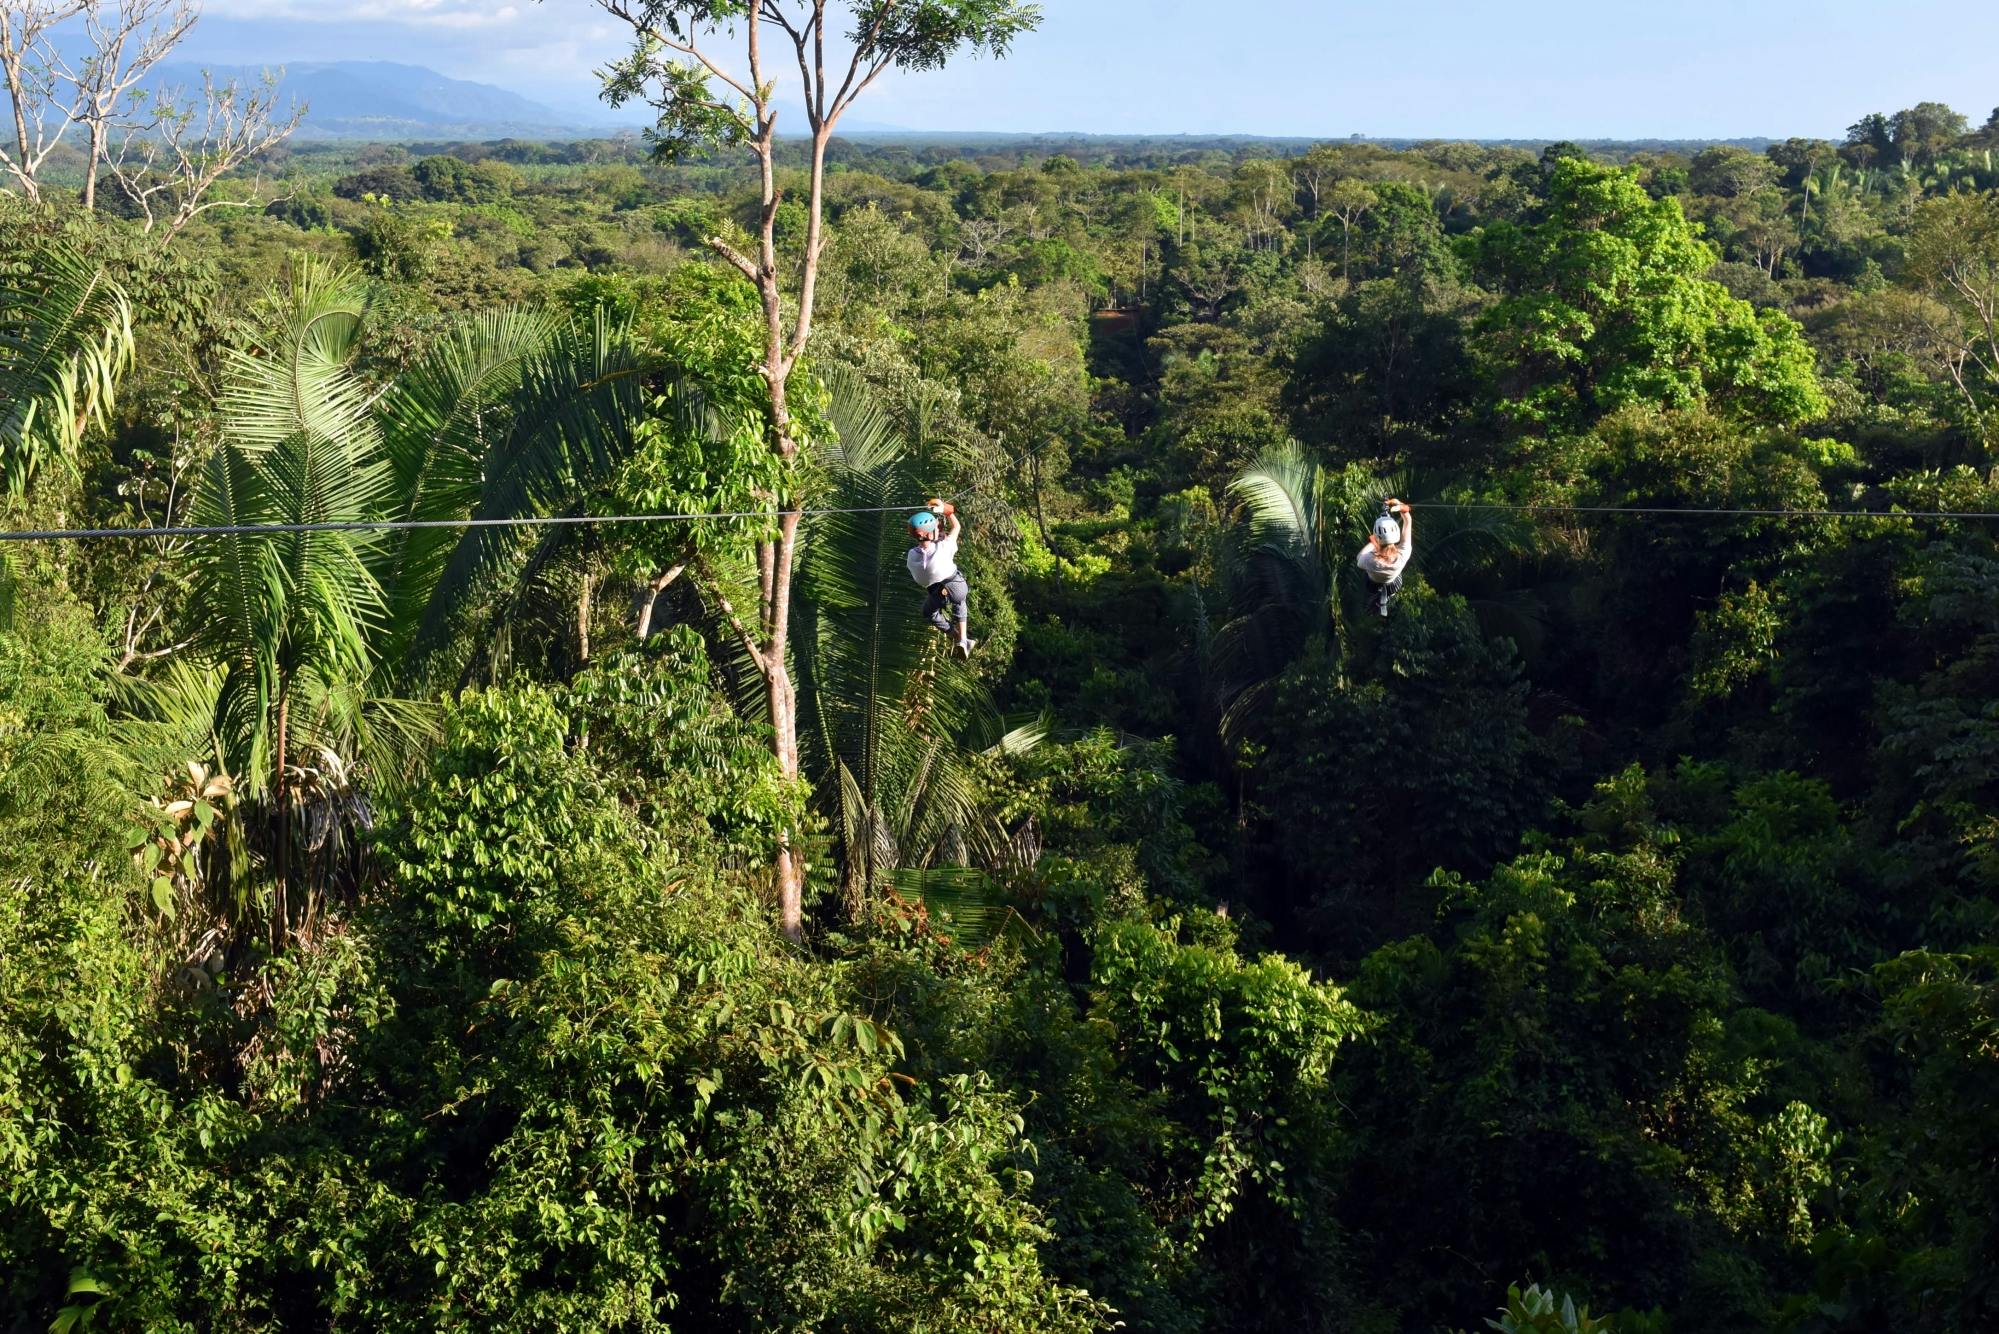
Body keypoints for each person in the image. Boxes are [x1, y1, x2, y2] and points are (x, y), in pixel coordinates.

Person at [907, 498, 975, 657]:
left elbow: (926, 550)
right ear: (931, 533)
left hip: (936, 592)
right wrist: (946, 509)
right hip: (955, 585)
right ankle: (963, 639)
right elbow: (957, 526)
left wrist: (936, 536)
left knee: (928, 613)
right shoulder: (944, 547)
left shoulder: (912, 555)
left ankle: (955, 635)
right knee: (960, 600)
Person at [1357, 498, 1412, 616]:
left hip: (1372, 585)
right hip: (1394, 584)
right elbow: (1408, 521)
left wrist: (1374, 542)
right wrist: (1400, 505)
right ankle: (1385, 598)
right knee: (1390, 582)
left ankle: (1378, 601)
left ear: (1377, 537)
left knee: (1369, 578)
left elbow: (1359, 558)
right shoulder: (1403, 554)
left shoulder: (1369, 560)